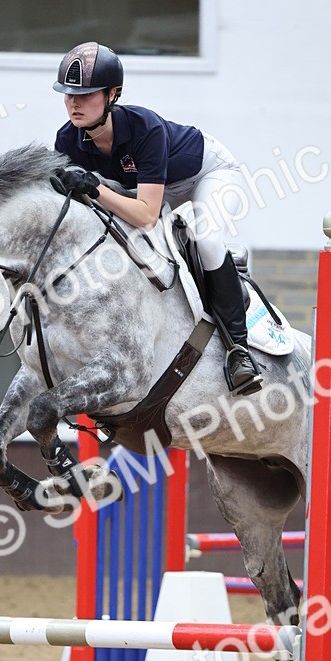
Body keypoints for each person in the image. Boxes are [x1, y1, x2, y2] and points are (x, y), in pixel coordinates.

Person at [52, 41, 262, 396]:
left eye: (86, 94)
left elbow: (148, 215)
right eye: (69, 93)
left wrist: (95, 190)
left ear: (112, 95)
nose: (74, 102)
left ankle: (239, 351)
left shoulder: (143, 128)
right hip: (146, 190)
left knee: (205, 236)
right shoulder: (67, 140)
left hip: (204, 174)